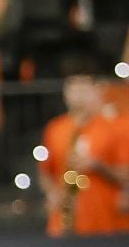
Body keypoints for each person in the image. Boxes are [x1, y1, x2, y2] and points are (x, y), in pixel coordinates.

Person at [40, 69, 129, 234]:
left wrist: (97, 165)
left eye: (83, 87)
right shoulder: (55, 129)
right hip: (65, 222)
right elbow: (45, 171)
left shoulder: (116, 126)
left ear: (96, 91)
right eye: (73, 87)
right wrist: (52, 194)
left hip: (106, 220)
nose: (78, 94)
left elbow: (126, 173)